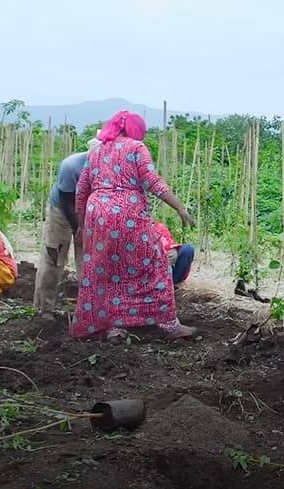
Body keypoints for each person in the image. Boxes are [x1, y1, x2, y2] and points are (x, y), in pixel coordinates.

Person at [71, 110, 195, 343]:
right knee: (155, 263)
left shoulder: (96, 150)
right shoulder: (136, 148)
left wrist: (80, 226)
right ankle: (169, 324)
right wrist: (179, 207)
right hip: (128, 213)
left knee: (108, 271)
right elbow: (152, 182)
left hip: (97, 216)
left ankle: (114, 327)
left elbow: (81, 190)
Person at [33, 144, 94, 318]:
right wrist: (78, 228)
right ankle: (44, 308)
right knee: (55, 256)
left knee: (89, 260)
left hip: (90, 211)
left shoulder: (112, 166)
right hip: (61, 210)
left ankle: (89, 311)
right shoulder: (71, 165)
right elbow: (67, 201)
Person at [153, 220, 194, 285]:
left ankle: (170, 283)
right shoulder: (139, 230)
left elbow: (170, 248)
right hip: (149, 274)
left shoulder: (159, 227)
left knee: (188, 249)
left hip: (167, 270)